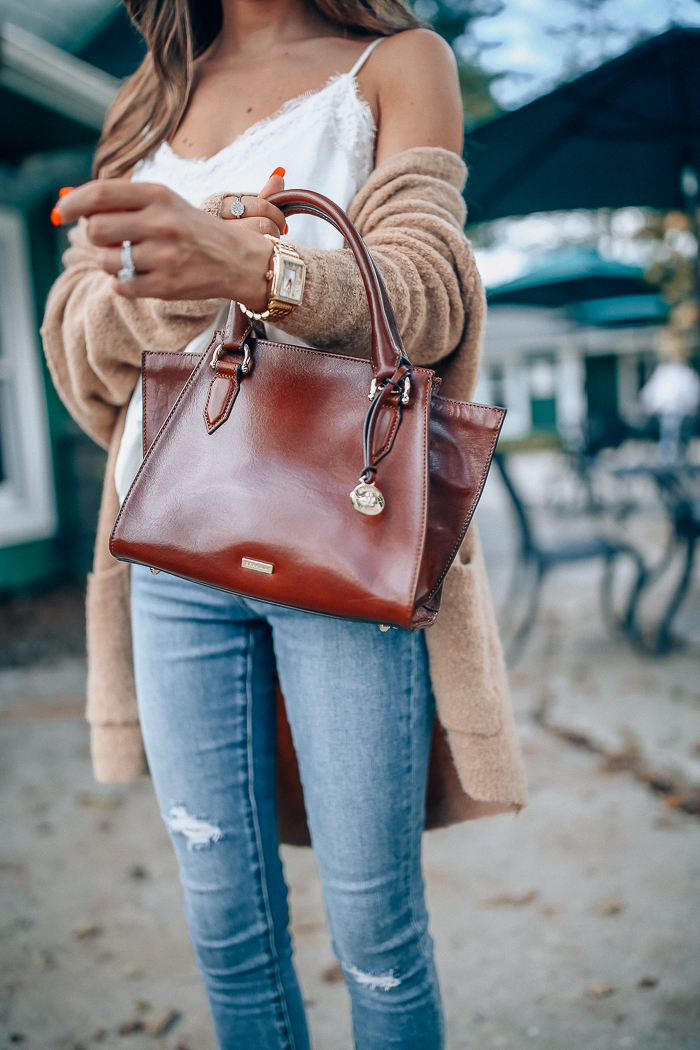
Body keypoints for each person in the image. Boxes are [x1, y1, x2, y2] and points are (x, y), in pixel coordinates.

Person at [41, 2, 527, 1047]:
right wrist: (175, 285)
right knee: (224, 924)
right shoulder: (148, 96)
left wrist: (265, 272)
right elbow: (77, 341)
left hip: (340, 543)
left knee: (376, 935)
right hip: (167, 546)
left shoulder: (397, 64)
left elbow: (431, 297)